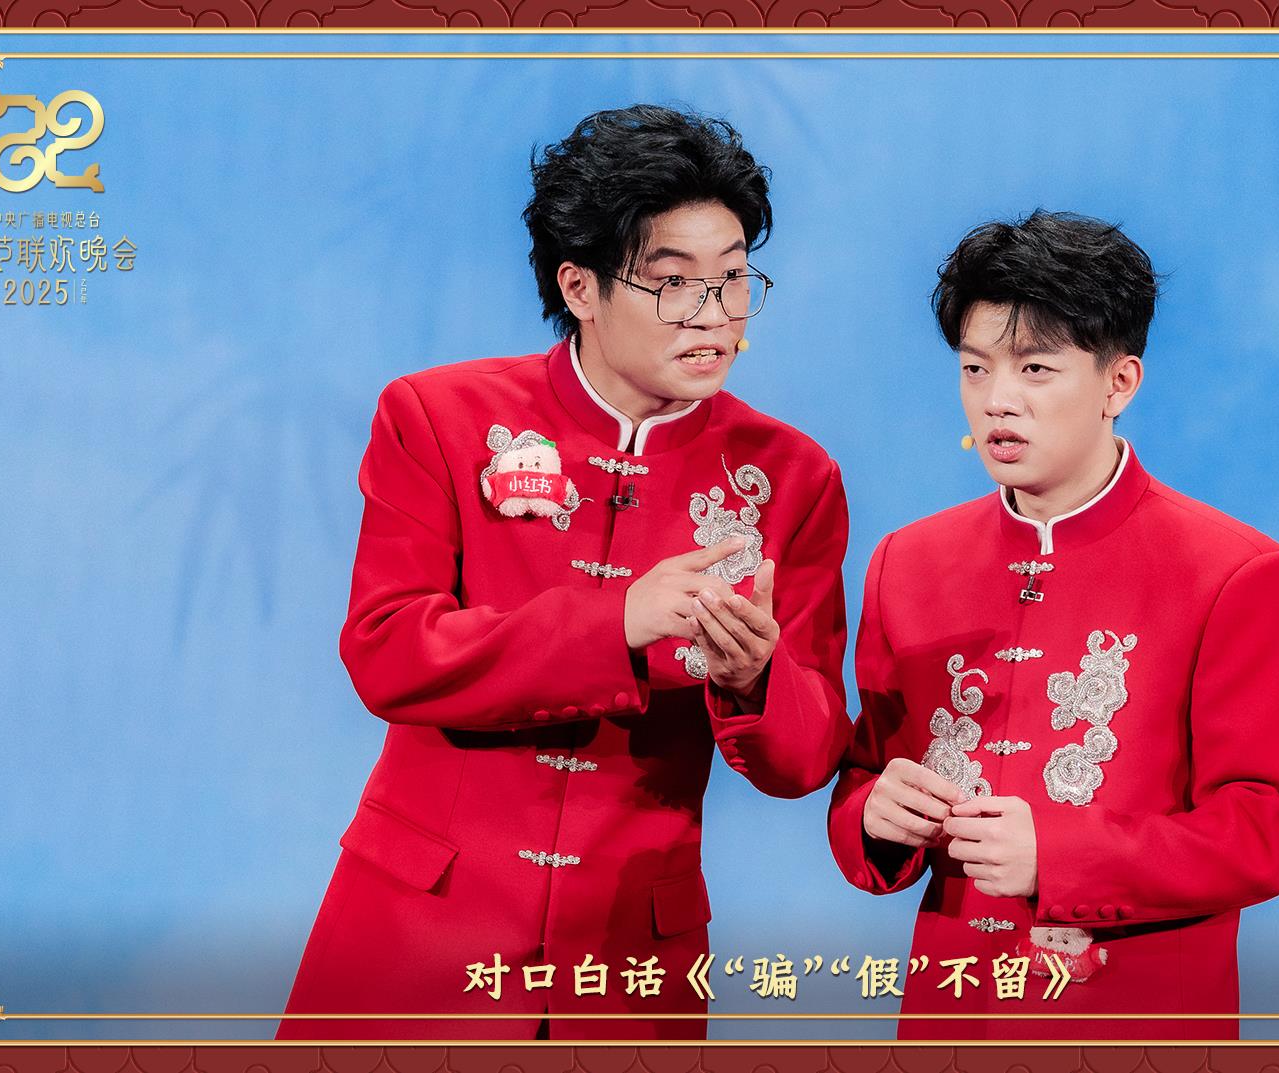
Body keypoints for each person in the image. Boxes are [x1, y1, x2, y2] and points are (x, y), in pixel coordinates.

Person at [278, 104, 852, 1042]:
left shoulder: (793, 476)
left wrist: (754, 680)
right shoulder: (438, 417)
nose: (715, 316)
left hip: (629, 963)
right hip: (417, 938)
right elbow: (388, 652)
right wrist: (615, 623)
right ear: (578, 285)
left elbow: (807, 756)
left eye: (734, 278)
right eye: (673, 283)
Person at [827, 211, 1279, 1040]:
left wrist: (1062, 857)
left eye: (1035, 367)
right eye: (975, 368)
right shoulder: (907, 563)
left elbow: (1276, 825)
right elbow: (865, 775)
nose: (997, 400)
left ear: (1118, 383)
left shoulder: (1240, 576)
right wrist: (874, 817)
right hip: (951, 1013)